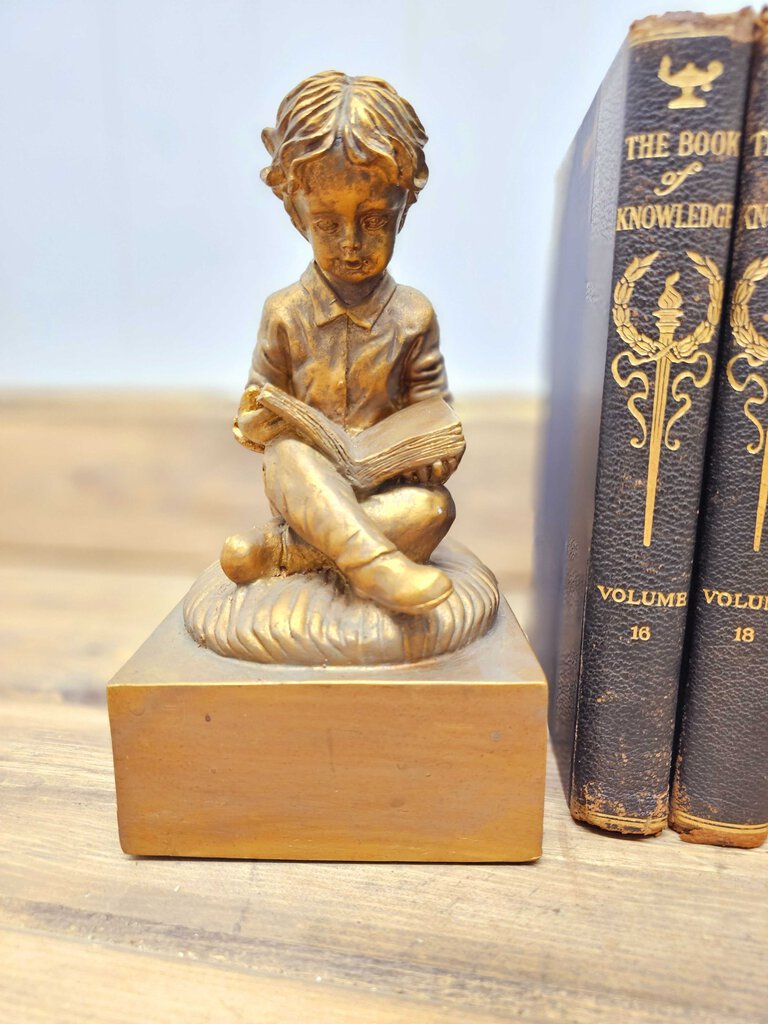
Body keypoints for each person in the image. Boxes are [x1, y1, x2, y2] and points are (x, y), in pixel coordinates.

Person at [220, 71, 462, 616]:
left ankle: (285, 552)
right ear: (295, 215)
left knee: (434, 509)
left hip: (381, 489)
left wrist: (438, 454)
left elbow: (433, 410)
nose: (351, 245)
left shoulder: (413, 316)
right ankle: (379, 570)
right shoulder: (284, 313)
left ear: (404, 208)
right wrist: (263, 423)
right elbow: (254, 410)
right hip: (304, 482)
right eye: (328, 225)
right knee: (288, 456)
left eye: (374, 220)